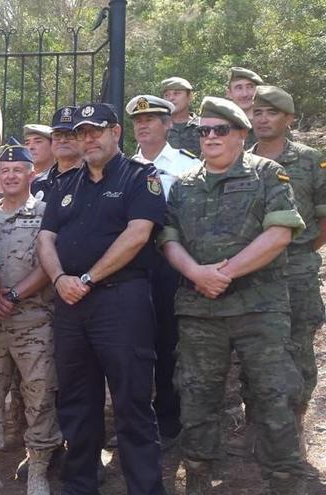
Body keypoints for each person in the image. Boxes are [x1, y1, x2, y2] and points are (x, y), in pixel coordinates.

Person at [159, 96, 307, 494]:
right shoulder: (184, 184)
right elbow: (168, 239)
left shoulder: (267, 174)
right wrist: (196, 274)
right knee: (196, 397)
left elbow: (279, 233)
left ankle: (285, 481)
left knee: (273, 396)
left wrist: (222, 273)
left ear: (240, 134)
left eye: (219, 130)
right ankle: (199, 480)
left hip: (259, 309)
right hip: (199, 310)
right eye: (203, 130)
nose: (209, 137)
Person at [37, 103, 166, 495]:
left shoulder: (139, 177)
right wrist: (59, 278)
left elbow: (138, 233)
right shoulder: (65, 185)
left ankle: (144, 488)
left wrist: (88, 278)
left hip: (119, 301)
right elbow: (45, 238)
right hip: (70, 305)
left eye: (96, 130)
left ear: (115, 133)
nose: (88, 139)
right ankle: (80, 484)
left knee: (131, 401)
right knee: (76, 400)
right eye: (81, 133)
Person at [0, 144, 61, 495]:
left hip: (34, 322)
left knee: (39, 396)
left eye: (17, 169)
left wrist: (12, 295)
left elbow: (50, 267)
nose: (10, 176)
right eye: (3, 170)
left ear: (31, 174)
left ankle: (37, 470)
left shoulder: (48, 213)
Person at [249, 86, 326, 459]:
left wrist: (298, 252)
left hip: (296, 271)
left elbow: (324, 221)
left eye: (272, 112)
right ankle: (260, 430)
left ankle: (294, 426)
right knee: (255, 352)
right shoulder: (240, 161)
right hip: (252, 275)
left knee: (297, 351)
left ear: (289, 119)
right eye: (257, 112)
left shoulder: (311, 161)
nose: (262, 119)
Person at [126, 94, 201, 450]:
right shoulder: (124, 167)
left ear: (168, 124)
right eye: (138, 121)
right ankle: (137, 421)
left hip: (173, 263)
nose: (143, 125)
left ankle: (169, 420)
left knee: (170, 342)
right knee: (136, 343)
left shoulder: (186, 165)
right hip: (133, 264)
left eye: (152, 119)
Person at [32, 106, 83, 204]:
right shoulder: (37, 183)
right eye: (57, 135)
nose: (63, 140)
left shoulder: (94, 179)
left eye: (70, 135)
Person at [225, 67, 264, 149]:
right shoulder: (220, 127)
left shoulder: (271, 123)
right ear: (229, 93)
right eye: (239, 88)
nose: (245, 94)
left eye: (250, 87)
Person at [160, 77, 200, 156]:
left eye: (176, 93)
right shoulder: (158, 127)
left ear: (190, 97)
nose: (171, 98)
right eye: (167, 95)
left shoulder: (204, 127)